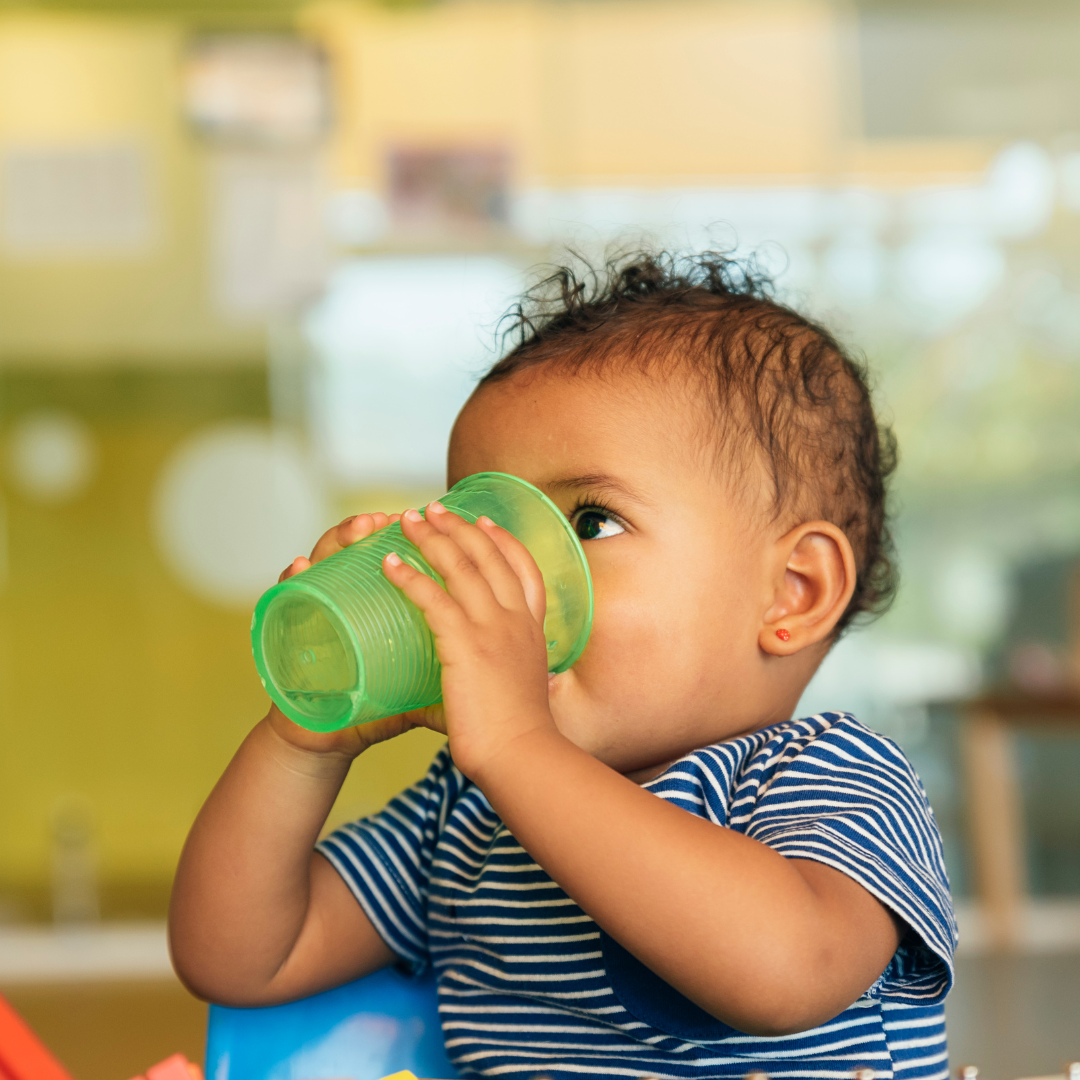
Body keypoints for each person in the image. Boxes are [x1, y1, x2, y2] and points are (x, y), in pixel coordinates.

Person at [169, 250, 955, 1079]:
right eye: (488, 529)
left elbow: (787, 973)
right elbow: (242, 958)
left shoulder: (831, 774)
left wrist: (515, 746)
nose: (519, 579)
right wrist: (301, 744)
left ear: (793, 593)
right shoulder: (468, 813)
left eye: (588, 524)